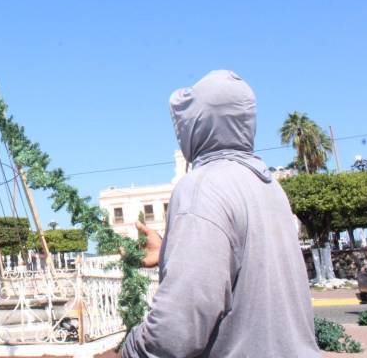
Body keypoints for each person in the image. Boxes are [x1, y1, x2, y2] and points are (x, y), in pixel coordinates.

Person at [123, 70, 318, 357]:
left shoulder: (203, 186)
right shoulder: (268, 186)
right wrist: (169, 249)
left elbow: (175, 332)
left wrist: (132, 348)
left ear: (198, 124)